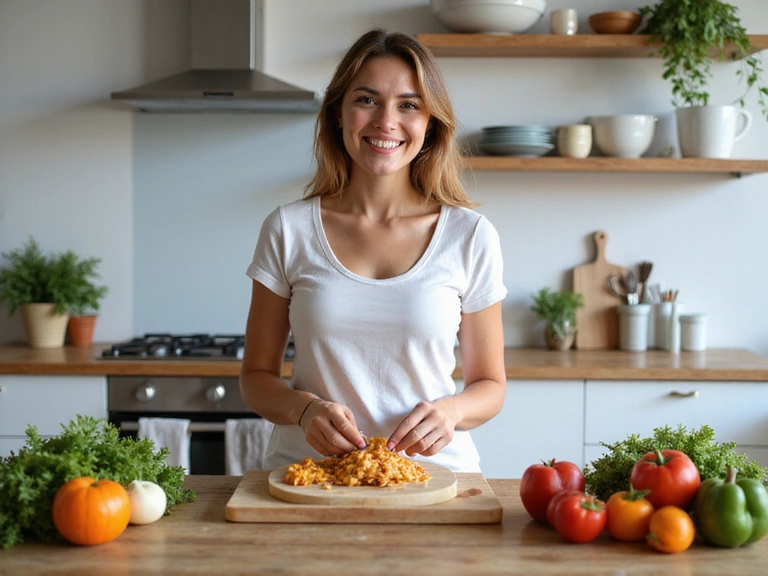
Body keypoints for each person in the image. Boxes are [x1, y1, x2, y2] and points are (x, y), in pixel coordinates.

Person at [240, 28, 507, 473]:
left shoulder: (471, 235)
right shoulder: (288, 228)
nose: (386, 121)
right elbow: (255, 379)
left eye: (409, 105)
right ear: (339, 114)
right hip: (309, 480)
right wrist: (303, 410)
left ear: (430, 123)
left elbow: (490, 384)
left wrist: (452, 412)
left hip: (436, 479)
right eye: (366, 100)